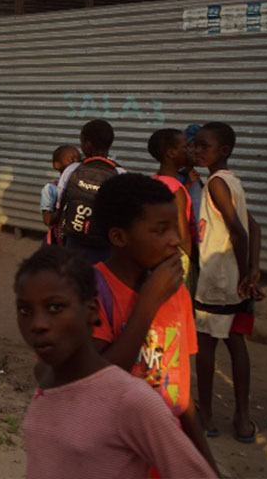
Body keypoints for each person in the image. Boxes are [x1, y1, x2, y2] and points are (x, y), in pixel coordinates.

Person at [15, 246, 216, 479]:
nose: (38, 323)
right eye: (25, 310)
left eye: (55, 307)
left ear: (91, 311)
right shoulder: (48, 381)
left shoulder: (131, 399)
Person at [89, 173, 217, 473]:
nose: (175, 239)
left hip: (161, 458)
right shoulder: (89, 291)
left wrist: (207, 465)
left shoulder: (178, 294)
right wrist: (148, 302)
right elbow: (93, 384)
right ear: (119, 237)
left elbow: (181, 395)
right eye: (160, 231)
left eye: (175, 227)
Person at [192, 121, 264, 443]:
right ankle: (243, 419)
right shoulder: (232, 182)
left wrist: (245, 270)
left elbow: (239, 230)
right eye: (195, 144)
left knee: (206, 343)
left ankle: (206, 415)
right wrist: (252, 269)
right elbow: (255, 228)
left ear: (224, 151)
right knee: (236, 345)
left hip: (219, 277)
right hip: (235, 279)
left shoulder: (217, 184)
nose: (196, 150)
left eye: (203, 146)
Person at [56, 119, 126, 263]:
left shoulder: (72, 169)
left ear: (87, 145)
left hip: (74, 241)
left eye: (81, 142)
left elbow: (60, 202)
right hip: (105, 246)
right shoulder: (120, 173)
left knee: (72, 278)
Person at [147, 128, 197, 286]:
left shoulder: (156, 180)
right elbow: (183, 236)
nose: (190, 151)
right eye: (185, 147)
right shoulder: (176, 189)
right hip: (178, 260)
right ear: (171, 153)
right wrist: (190, 263)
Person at [40, 145, 81, 245]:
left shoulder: (83, 187)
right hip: (56, 241)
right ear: (57, 165)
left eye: (79, 160)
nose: (76, 164)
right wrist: (63, 207)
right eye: (71, 161)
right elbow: (47, 220)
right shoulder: (51, 189)